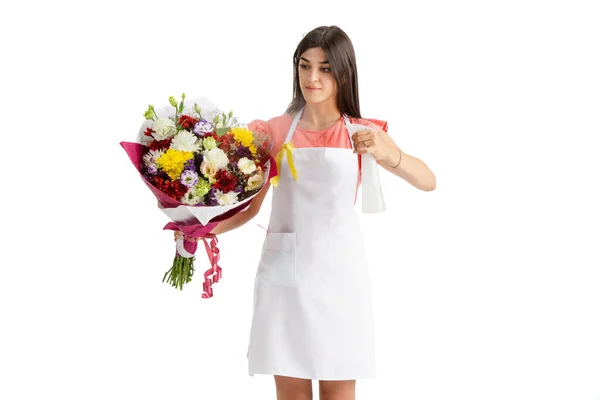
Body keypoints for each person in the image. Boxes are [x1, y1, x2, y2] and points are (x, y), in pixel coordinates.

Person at [175, 25, 436, 400]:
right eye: (305, 65)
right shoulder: (274, 132)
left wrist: (386, 153)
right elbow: (249, 208)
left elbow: (428, 181)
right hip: (286, 278)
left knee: (339, 389)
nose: (312, 77)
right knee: (292, 391)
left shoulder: (363, 133)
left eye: (325, 68)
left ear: (344, 72)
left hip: (341, 278)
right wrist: (198, 228)